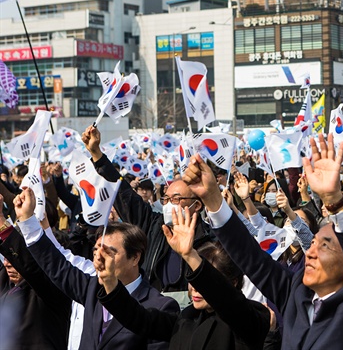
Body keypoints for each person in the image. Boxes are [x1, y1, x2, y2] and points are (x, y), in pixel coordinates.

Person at [183, 133, 343, 349]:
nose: (310, 252)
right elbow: (251, 257)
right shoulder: (297, 293)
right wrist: (212, 199)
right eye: (312, 243)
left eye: (325, 246)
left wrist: (335, 202)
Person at [14, 187, 179, 350]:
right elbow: (57, 265)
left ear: (135, 257)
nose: (99, 258)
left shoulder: (160, 307)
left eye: (109, 252)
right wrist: (28, 220)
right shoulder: (93, 289)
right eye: (95, 252)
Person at [94, 205, 271, 350]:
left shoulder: (250, 318)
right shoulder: (187, 318)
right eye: (192, 281)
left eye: (202, 281)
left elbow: (230, 303)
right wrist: (110, 282)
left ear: (232, 282)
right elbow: (140, 319)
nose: (195, 288)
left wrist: (190, 255)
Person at [82, 125, 211, 292]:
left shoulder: (208, 239)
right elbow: (124, 195)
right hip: (152, 312)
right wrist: (97, 156)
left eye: (177, 199)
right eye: (166, 199)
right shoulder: (153, 226)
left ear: (197, 206)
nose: (169, 204)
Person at [0, 194, 72, 349]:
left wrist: (1, 222)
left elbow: (31, 266)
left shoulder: (52, 286)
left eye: (14, 258)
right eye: (6, 257)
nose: (8, 264)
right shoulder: (5, 282)